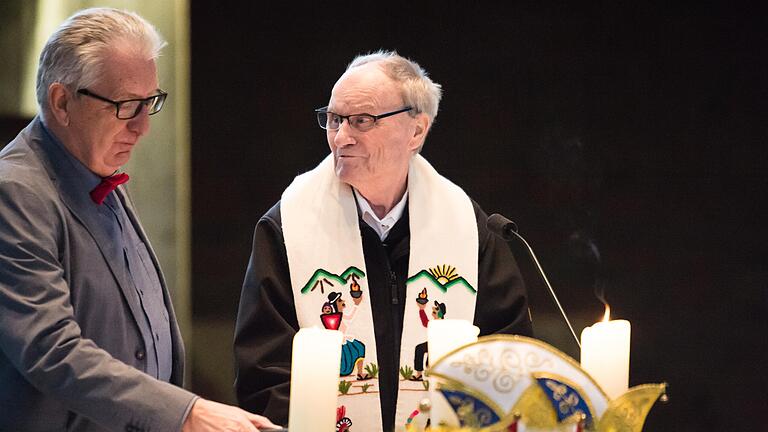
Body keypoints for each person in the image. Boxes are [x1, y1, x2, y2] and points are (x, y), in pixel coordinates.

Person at [0, 8, 277, 432]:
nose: (143, 127)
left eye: (150, 103)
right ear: (62, 102)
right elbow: (51, 350)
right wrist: (185, 412)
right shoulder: (16, 191)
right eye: (128, 105)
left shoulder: (99, 168)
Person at [234, 51, 532, 432]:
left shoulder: (469, 227)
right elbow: (264, 370)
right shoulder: (288, 225)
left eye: (361, 121)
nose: (341, 137)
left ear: (417, 131)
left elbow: (508, 356)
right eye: (334, 119)